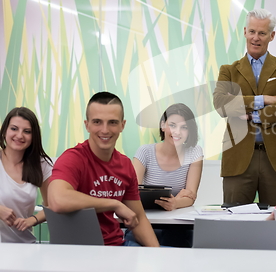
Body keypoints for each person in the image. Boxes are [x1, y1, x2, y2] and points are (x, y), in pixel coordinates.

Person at [213, 8, 276, 206]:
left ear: (272, 36)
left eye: (262, 33)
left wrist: (255, 116)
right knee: (233, 224)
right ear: (245, 31)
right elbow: (220, 104)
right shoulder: (228, 71)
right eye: (252, 31)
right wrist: (265, 99)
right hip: (238, 159)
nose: (256, 38)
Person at [48, 92, 159, 246]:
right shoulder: (73, 158)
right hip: (79, 252)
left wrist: (158, 255)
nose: (105, 130)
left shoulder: (125, 165)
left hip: (117, 247)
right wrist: (114, 204)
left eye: (112, 122)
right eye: (97, 122)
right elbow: (57, 200)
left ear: (122, 125)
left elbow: (139, 218)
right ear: (87, 125)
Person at [131, 103, 203, 247]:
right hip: (145, 220)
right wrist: (180, 198)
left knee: (175, 247)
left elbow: (191, 196)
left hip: (175, 224)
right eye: (173, 125)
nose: (177, 132)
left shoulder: (195, 153)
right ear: (163, 126)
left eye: (184, 127)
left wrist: (175, 203)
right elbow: (132, 193)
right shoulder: (144, 152)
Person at [0, 107, 52, 243]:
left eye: (27, 131)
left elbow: (53, 206)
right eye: (14, 128)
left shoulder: (42, 165)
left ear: (33, 136)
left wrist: (33, 220)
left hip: (25, 248)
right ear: (5, 130)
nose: (19, 135)